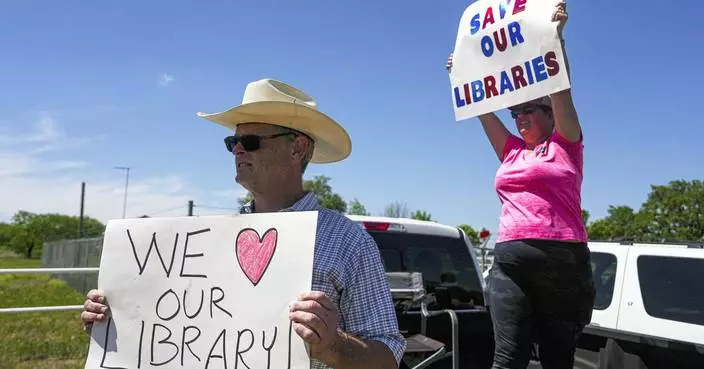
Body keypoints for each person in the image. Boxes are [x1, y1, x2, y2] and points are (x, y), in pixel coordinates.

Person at [80, 78, 406, 369]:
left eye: (250, 141)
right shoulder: (211, 239)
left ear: (298, 147)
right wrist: (115, 318)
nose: (237, 150)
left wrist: (333, 345)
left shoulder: (347, 241)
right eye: (231, 143)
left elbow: (388, 358)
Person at [446, 3, 596, 369]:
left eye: (529, 109)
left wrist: (555, 40)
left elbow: (561, 89)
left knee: (557, 360)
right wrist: (462, 73)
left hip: (563, 262)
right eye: (515, 113)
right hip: (511, 263)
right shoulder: (512, 151)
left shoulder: (566, 144)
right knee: (507, 357)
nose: (520, 117)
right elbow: (482, 107)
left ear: (549, 113)